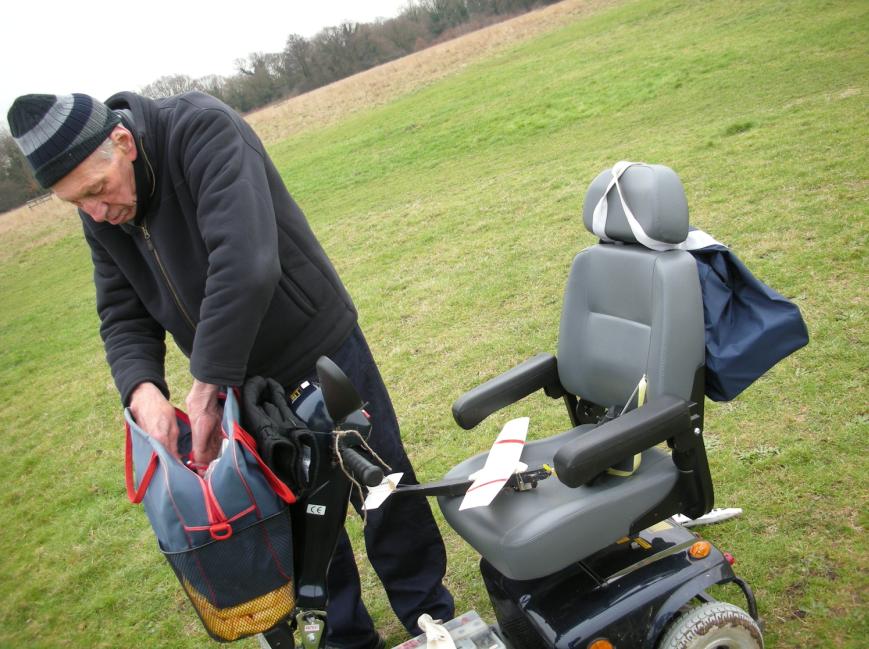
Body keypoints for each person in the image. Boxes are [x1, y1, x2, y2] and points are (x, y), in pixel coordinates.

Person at [7, 91, 454, 649]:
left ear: (122, 142)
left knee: (381, 487)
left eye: (97, 191)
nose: (97, 212)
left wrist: (205, 382)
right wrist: (142, 390)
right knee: (297, 523)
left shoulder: (202, 130)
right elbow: (121, 314)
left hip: (314, 347)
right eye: (78, 203)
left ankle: (430, 617)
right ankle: (345, 639)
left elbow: (245, 261)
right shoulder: (103, 210)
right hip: (242, 387)